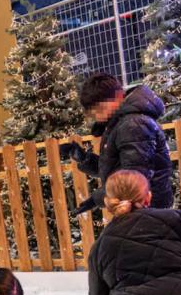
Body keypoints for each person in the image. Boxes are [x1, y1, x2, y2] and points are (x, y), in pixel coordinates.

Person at [64, 73, 173, 214]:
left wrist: (97, 198)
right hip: (139, 206)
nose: (97, 117)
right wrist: (85, 159)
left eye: (99, 110)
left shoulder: (133, 124)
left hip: (146, 208)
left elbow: (133, 176)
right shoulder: (122, 123)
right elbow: (118, 167)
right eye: (93, 113)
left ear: (118, 96)